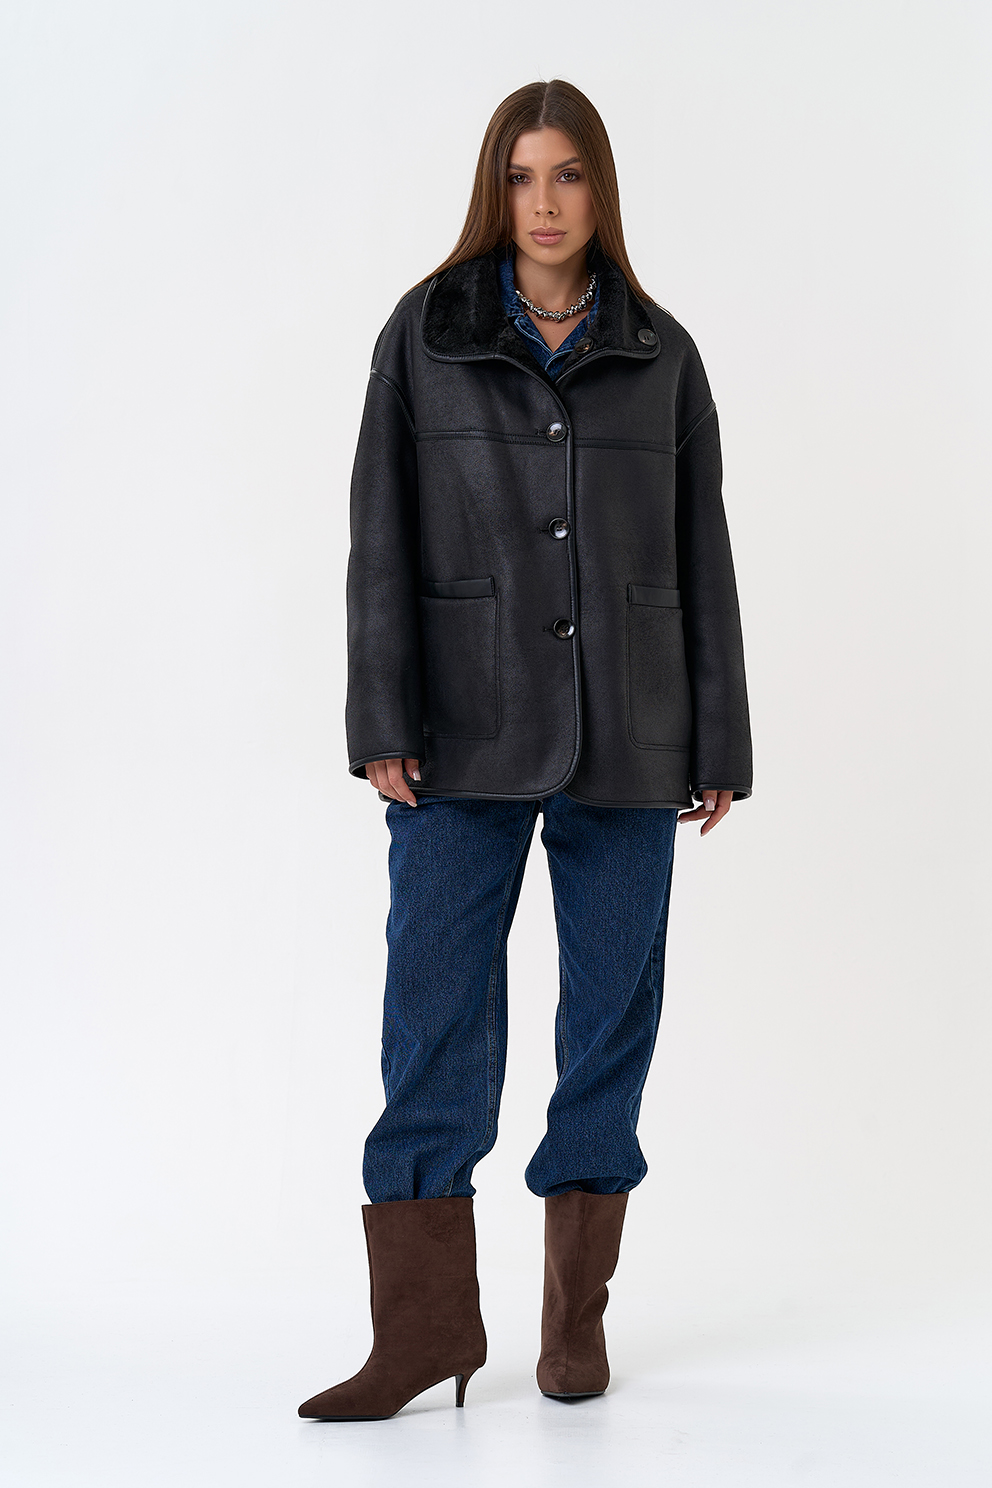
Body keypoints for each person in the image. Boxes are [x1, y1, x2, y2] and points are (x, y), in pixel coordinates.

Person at [298, 78, 752, 1422]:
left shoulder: (662, 352)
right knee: (433, 1015)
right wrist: (380, 719)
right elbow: (379, 534)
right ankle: (423, 1333)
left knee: (611, 1019)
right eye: (520, 177)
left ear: (600, 188)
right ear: (492, 191)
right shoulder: (425, 333)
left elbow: (704, 556)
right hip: (456, 727)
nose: (544, 204)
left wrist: (718, 735)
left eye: (567, 175)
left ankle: (573, 1324)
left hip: (632, 727)